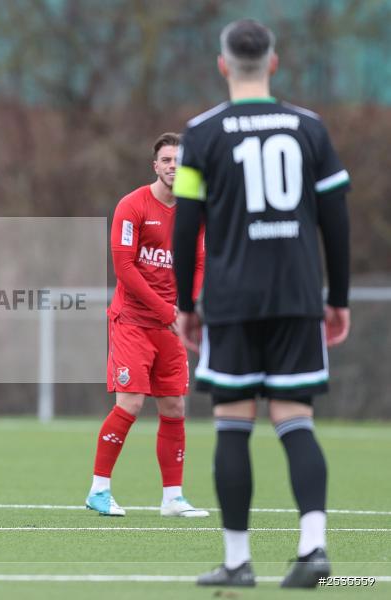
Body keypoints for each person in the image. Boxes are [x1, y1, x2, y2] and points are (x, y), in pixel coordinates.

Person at [172, 19, 351, 588]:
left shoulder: (201, 133)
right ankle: (314, 551)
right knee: (295, 419)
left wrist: (185, 302)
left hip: (231, 298)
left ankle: (236, 560)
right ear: (273, 63)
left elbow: (186, 226)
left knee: (232, 423)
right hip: (297, 295)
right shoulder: (309, 128)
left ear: (223, 65)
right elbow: (335, 220)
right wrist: (337, 297)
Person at [86, 133, 208, 519]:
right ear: (155, 165)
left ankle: (173, 498)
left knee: (174, 404)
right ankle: (99, 490)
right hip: (133, 322)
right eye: (167, 160)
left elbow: (200, 263)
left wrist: (185, 308)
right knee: (132, 402)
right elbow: (124, 267)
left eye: (180, 161)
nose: (173, 166)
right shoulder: (133, 206)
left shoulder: (194, 210)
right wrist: (167, 310)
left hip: (170, 323)